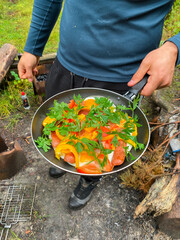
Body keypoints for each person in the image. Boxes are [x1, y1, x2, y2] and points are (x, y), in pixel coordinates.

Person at [18, 0, 180, 210]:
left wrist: (174, 47)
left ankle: (88, 180)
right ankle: (64, 158)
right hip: (65, 63)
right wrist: (33, 47)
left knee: (105, 147)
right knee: (55, 130)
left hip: (126, 79)